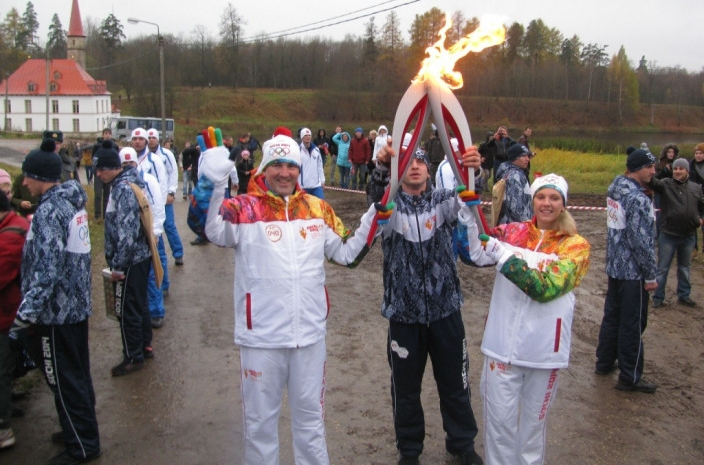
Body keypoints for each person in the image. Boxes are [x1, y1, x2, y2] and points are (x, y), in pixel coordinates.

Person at [197, 133, 378, 465]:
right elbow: (210, 230)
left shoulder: (317, 209)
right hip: (261, 339)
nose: (284, 173)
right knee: (260, 427)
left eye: (291, 165)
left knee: (311, 423)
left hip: (309, 337)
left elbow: (347, 253)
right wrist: (212, 183)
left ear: (300, 169)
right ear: (264, 168)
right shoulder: (244, 208)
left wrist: (375, 216)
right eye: (276, 164)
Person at [370, 143, 484, 465]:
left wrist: (473, 169)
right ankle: (409, 451)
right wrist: (381, 170)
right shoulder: (389, 208)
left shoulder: (441, 202)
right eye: (408, 161)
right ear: (399, 169)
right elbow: (376, 201)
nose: (416, 166)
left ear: (429, 169)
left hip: (446, 311)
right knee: (405, 391)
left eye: (421, 160)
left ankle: (461, 443)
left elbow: (468, 196)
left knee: (455, 384)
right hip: (404, 318)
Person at [465, 173, 590, 465]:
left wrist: (504, 258)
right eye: (541, 197)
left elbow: (545, 288)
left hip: (543, 353)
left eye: (554, 198)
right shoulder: (513, 232)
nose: (546, 204)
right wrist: (466, 217)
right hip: (501, 349)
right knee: (498, 430)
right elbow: (470, 253)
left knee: (531, 434)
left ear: (563, 204)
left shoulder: (576, 246)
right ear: (533, 200)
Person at [14, 139, 101, 464]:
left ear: (39, 176)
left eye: (27, 176)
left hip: (57, 313)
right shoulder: (71, 205)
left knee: (65, 381)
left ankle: (82, 444)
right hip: (74, 308)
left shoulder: (50, 211)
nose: (24, 182)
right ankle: (78, 429)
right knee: (77, 376)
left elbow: (47, 270)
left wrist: (25, 316)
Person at [595, 148, 659, 393]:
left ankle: (604, 361)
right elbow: (640, 241)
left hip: (615, 267)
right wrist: (650, 275)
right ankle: (630, 376)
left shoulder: (616, 187)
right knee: (632, 323)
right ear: (636, 169)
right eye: (649, 167)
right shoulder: (638, 199)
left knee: (612, 317)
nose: (653, 171)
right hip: (633, 273)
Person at [95, 143, 155, 377]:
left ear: (112, 168)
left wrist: (118, 265)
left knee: (128, 308)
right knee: (139, 304)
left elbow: (128, 232)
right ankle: (143, 347)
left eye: (100, 170)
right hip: (139, 257)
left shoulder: (122, 189)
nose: (98, 174)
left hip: (131, 261)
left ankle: (133, 356)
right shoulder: (131, 181)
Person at [650, 158, 703, 308]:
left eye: (681, 169)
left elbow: (701, 207)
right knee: (662, 268)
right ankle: (658, 298)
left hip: (689, 235)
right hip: (668, 234)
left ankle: (684, 295)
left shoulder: (696, 188)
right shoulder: (666, 184)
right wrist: (663, 171)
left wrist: (701, 218)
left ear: (687, 171)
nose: (678, 171)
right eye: (675, 169)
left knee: (685, 267)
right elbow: (652, 181)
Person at [0, 187, 30, 450]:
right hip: (9, 311)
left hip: (6, 313)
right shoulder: (14, 227)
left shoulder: (12, 234)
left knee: (1, 368)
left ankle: (2, 426)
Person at [131, 128, 169, 327]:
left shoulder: (154, 161)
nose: (137, 142)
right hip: (134, 226)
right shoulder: (129, 159)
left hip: (152, 219)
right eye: (134, 139)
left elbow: (160, 187)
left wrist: (157, 227)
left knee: (157, 261)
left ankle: (157, 308)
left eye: (141, 139)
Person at [147, 128, 184, 267]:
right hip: (150, 200)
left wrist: (171, 192)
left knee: (169, 226)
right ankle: (157, 260)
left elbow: (173, 173)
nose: (151, 140)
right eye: (149, 138)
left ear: (158, 139)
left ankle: (178, 253)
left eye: (153, 138)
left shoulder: (166, 154)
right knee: (154, 229)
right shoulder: (144, 157)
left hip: (164, 198)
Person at [495, 144, 533, 224]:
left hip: (509, 224)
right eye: (524, 156)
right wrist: (527, 223)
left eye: (528, 156)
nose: (527, 159)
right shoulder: (515, 176)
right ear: (514, 158)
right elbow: (515, 207)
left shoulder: (510, 172)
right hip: (516, 227)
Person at [92, 128, 119, 221]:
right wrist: (95, 171)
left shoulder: (115, 146)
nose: (107, 135)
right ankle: (97, 215)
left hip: (110, 174)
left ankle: (105, 215)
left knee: (107, 195)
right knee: (98, 194)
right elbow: (94, 159)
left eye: (109, 133)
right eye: (105, 133)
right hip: (99, 173)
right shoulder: (97, 146)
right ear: (103, 135)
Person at [654, 143, 679, 235]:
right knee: (659, 214)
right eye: (669, 152)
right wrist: (664, 170)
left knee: (672, 213)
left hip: (672, 191)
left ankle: (670, 233)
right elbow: (654, 178)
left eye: (673, 152)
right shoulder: (659, 164)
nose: (671, 154)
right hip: (659, 191)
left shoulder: (677, 164)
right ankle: (659, 234)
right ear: (665, 153)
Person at [298, 127, 326, 198]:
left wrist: (322, 181)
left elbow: (320, 166)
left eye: (309, 135)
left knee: (320, 207)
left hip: (316, 186)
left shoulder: (316, 150)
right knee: (304, 208)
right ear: (302, 137)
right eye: (305, 135)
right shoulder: (297, 151)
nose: (308, 137)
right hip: (303, 187)